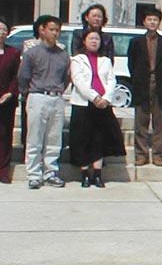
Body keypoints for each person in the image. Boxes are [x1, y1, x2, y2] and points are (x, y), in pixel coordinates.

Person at [18, 15, 70, 189]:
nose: (55, 33)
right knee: (35, 137)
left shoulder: (63, 54)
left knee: (54, 138)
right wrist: (28, 94)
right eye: (52, 29)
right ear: (42, 30)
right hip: (37, 96)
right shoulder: (31, 53)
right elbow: (23, 77)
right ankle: (34, 174)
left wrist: (60, 91)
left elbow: (66, 78)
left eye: (58, 30)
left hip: (57, 97)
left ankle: (50, 172)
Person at [69, 30, 125, 187]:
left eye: (97, 39)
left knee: (98, 139)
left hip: (103, 106)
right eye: (91, 38)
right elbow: (78, 81)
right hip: (83, 104)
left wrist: (106, 98)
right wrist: (94, 97)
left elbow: (111, 80)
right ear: (84, 41)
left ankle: (98, 174)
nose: (94, 41)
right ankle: (85, 174)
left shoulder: (106, 60)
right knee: (82, 139)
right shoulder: (77, 60)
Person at [127, 7, 162, 167]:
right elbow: (131, 64)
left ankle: (158, 154)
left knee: (159, 123)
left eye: (155, 20)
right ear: (144, 22)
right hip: (142, 85)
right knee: (141, 122)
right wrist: (138, 79)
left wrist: (161, 79)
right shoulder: (136, 42)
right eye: (149, 19)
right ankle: (141, 155)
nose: (152, 22)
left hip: (160, 85)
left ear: (159, 22)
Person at [0, 18, 20, 184]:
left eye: (4, 29)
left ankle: (3, 171)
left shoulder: (13, 52)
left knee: (5, 136)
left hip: (6, 101)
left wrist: (10, 93)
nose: (1, 32)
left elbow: (17, 76)